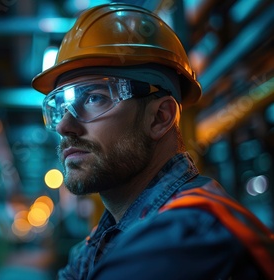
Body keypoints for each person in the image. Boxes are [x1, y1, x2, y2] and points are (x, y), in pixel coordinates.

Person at [31, 3, 274, 280]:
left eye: (94, 98)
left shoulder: (189, 236)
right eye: (60, 107)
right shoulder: (104, 240)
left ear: (160, 117)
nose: (64, 126)